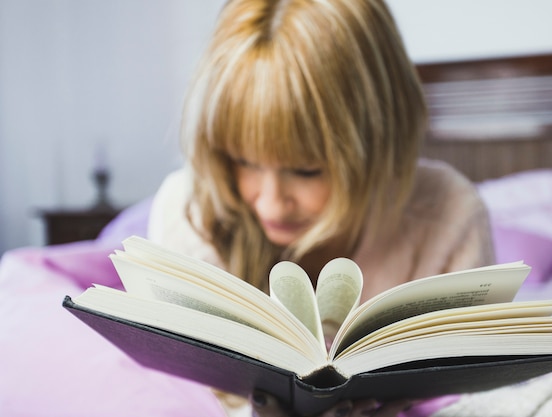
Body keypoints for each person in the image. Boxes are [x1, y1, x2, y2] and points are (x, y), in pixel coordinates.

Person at [147, 0, 494, 416]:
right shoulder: (188, 209)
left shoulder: (451, 216)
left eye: (307, 170)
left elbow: (468, 393)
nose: (271, 202)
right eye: (244, 160)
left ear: (382, 144)